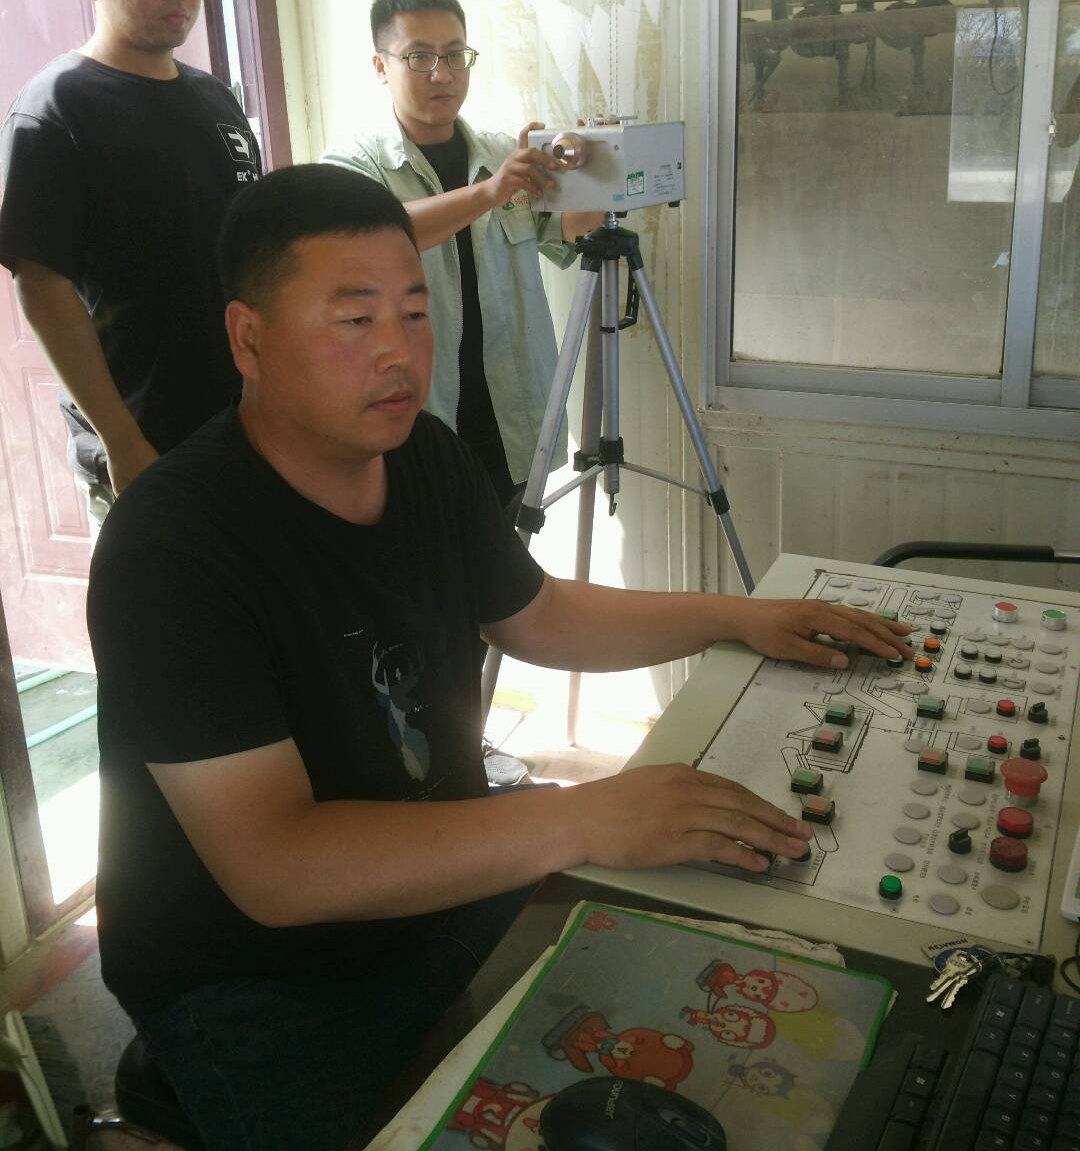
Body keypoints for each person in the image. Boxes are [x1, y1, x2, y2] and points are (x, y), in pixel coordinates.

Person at [87, 163, 913, 1151]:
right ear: (248, 339)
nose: (398, 353)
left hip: (442, 892)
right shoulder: (172, 548)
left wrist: (735, 617)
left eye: (414, 313)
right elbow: (278, 867)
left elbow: (540, 615)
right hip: (259, 981)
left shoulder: (425, 459)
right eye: (355, 320)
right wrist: (580, 814)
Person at [0, 0, 260, 532]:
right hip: (144, 446)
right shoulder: (55, 111)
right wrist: (121, 441)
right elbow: (42, 287)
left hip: (246, 430)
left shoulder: (215, 99)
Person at [322, 0, 597, 506]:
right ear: (380, 66)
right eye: (419, 57)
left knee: (510, 555)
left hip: (510, 417)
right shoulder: (353, 164)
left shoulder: (499, 153)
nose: (443, 73)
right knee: (425, 553)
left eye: (454, 54)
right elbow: (374, 236)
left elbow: (563, 232)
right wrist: (490, 192)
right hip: (417, 416)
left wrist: (594, 181)